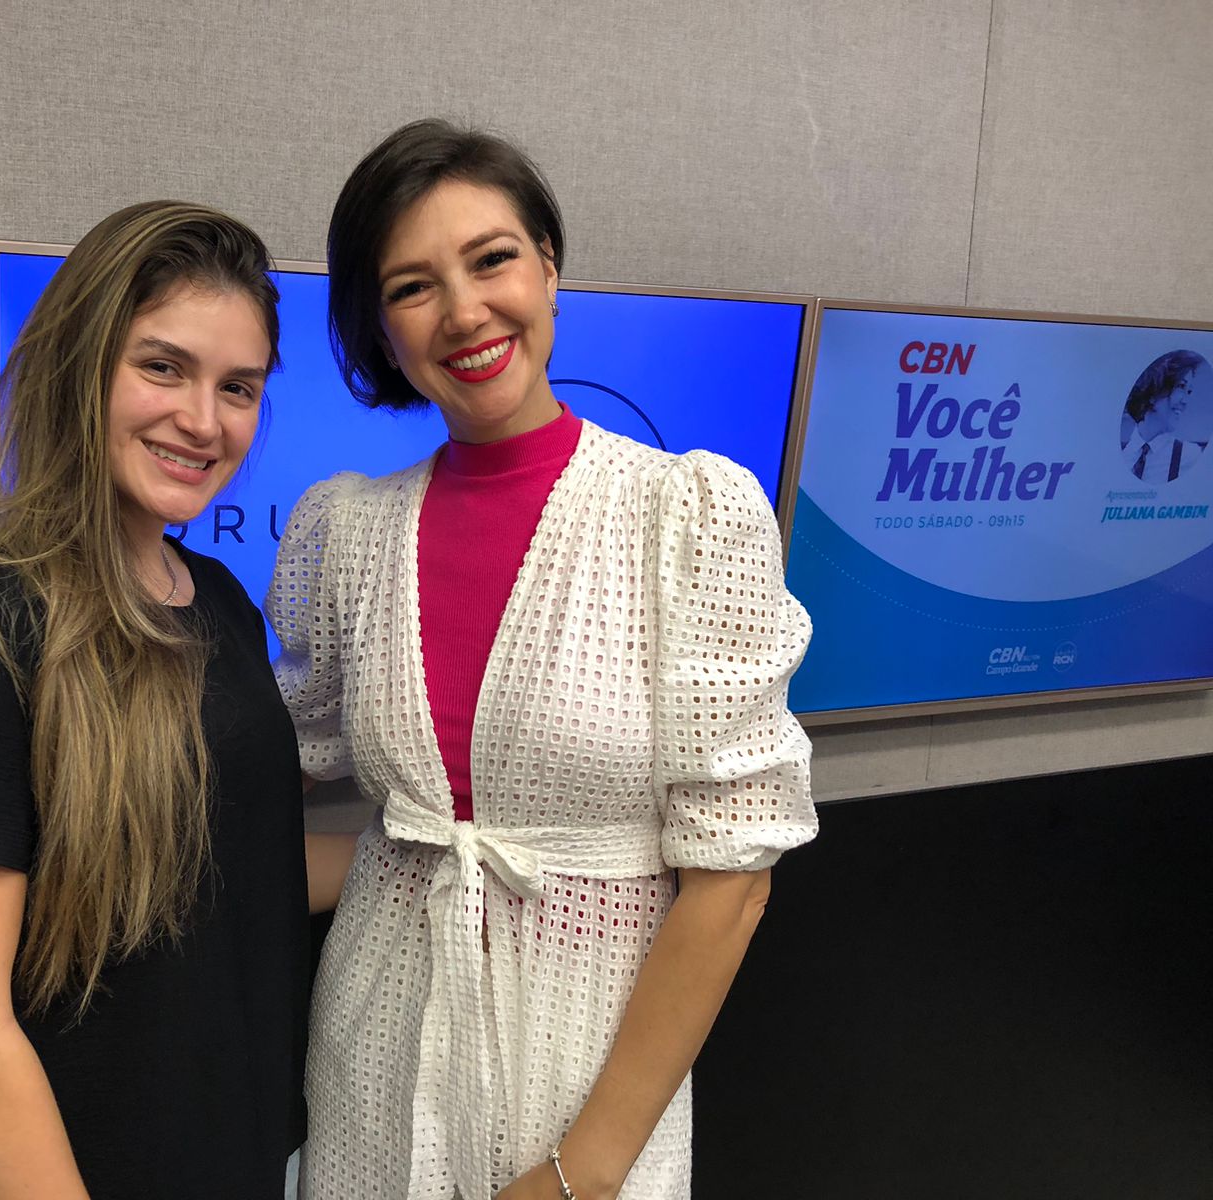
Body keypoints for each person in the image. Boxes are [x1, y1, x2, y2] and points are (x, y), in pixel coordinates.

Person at [268, 120, 818, 1200]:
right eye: (413, 286)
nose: (465, 311)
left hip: (588, 1088)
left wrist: (583, 1170)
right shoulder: (343, 532)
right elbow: (291, 785)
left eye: (492, 259)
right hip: (371, 1059)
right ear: (380, 330)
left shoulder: (684, 515)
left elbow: (730, 882)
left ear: (549, 268)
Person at [0, 201, 311, 1200]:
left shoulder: (222, 603)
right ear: (77, 363)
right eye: (162, 367)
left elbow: (232, 854)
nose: (203, 420)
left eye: (238, 387)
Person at [1119, 350, 1207, 483]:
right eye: (1181, 386)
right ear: (1153, 390)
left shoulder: (1189, 456)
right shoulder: (1121, 454)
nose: (1185, 401)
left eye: (1189, 391)